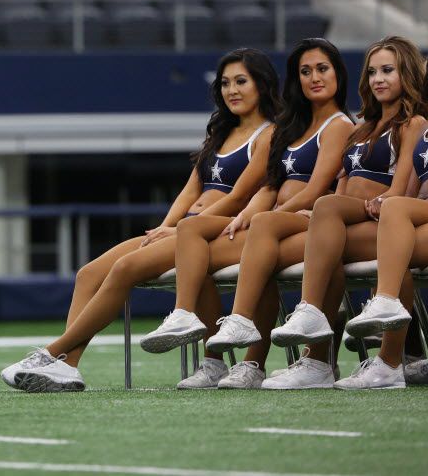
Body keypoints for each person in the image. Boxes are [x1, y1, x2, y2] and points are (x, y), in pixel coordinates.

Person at [1, 48, 280, 392]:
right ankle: (69, 367)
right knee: (88, 273)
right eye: (225, 83)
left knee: (125, 269)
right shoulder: (220, 134)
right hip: (186, 229)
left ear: (262, 85)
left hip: (219, 232)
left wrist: (181, 229)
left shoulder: (268, 135)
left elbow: (238, 197)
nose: (231, 90)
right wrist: (168, 225)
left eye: (241, 81)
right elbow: (189, 191)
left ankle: (52, 352)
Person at [140, 37, 354, 389]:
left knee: (236, 247)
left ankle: (257, 352)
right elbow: (271, 184)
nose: (313, 77)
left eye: (322, 69)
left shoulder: (339, 125)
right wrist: (252, 214)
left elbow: (316, 190)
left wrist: (266, 216)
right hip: (281, 222)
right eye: (304, 71)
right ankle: (208, 342)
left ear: (339, 75)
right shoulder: (296, 127)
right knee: (198, 241)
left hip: (311, 222)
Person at [243, 37, 428, 388]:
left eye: (388, 70)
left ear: (406, 72)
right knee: (304, 240)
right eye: (372, 72)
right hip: (354, 218)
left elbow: (400, 188)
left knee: (326, 211)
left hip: (382, 219)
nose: (378, 79)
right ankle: (317, 360)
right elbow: (343, 184)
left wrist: (369, 203)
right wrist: (321, 220)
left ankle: (387, 362)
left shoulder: (412, 122)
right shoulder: (362, 127)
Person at [331, 26, 428, 388]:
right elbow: (408, 194)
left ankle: (387, 318)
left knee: (394, 243)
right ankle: (396, 356)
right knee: (382, 230)